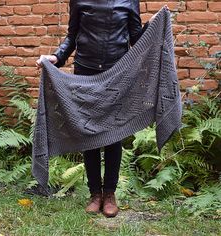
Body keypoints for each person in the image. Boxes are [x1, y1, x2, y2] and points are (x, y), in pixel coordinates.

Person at [36, 0, 169, 217]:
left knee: (112, 135)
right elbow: (72, 37)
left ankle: (109, 194)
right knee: (89, 133)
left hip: (118, 73)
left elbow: (137, 39)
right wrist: (56, 57)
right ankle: (94, 194)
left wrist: (151, 26)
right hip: (85, 73)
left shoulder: (129, 1)